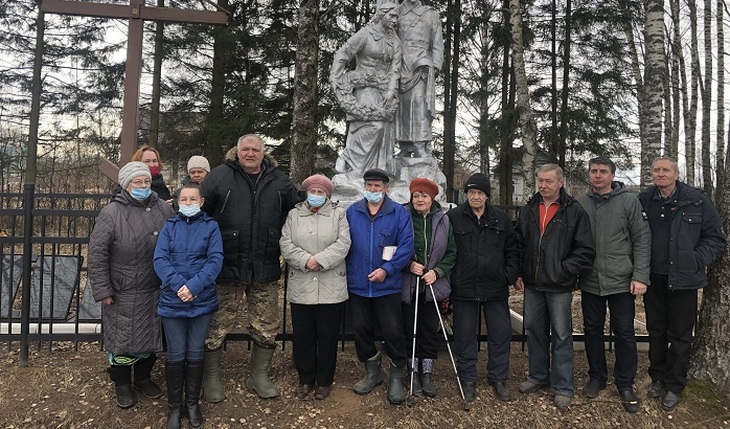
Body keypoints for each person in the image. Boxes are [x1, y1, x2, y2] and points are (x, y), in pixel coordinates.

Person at [200, 134, 300, 401]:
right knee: (217, 323)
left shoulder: (279, 181)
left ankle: (258, 376)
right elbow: (201, 215)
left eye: (255, 149)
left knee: (266, 324)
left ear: (263, 152)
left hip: (264, 264)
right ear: (238, 150)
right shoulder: (219, 177)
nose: (250, 153)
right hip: (227, 264)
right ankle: (210, 378)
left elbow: (296, 212)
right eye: (246, 149)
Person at [637, 157, 726, 412]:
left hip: (684, 279)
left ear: (676, 174)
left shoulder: (696, 200)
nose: (660, 174)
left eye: (666, 170)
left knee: (680, 335)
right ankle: (657, 378)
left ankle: (674, 386)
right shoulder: (644, 200)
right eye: (656, 170)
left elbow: (715, 237)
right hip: (654, 277)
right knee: (656, 331)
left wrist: (696, 259)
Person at [88, 161, 176, 409]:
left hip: (158, 287)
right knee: (123, 340)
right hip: (124, 289)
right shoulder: (111, 213)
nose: (143, 186)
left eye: (146, 181)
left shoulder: (163, 209)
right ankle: (122, 384)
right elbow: (97, 254)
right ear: (126, 185)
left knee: (151, 337)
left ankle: (144, 378)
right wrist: (103, 289)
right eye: (137, 182)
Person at [515, 163, 595, 411]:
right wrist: (518, 272)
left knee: (561, 335)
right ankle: (538, 376)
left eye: (548, 181)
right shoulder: (529, 209)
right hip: (533, 283)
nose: (543, 185)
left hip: (559, 284)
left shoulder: (573, 211)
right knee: (534, 331)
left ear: (560, 182)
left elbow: (584, 250)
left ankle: (563, 386)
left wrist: (563, 270)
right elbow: (518, 243)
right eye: (540, 180)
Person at [576, 157, 651, 414]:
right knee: (592, 331)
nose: (598, 175)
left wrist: (640, 276)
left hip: (621, 280)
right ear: (589, 175)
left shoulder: (629, 201)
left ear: (612, 175)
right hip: (590, 280)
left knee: (624, 333)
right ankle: (597, 376)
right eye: (594, 171)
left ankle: (625, 382)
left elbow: (642, 239)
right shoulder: (580, 203)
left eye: (603, 172)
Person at [447, 173, 520, 404]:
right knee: (464, 336)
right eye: (471, 193)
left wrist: (507, 276)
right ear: (466, 194)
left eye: (480, 193)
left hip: (495, 288)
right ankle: (468, 379)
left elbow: (513, 250)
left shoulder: (501, 219)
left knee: (500, 335)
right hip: (464, 288)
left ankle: (498, 378)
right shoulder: (453, 217)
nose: (475, 197)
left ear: (487, 196)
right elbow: (445, 249)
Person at [154, 183, 223, 429]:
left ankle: (192, 403)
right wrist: (178, 286)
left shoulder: (211, 226)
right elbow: (160, 259)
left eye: (194, 198)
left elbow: (215, 260)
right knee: (176, 355)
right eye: (185, 198)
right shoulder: (169, 227)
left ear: (201, 202)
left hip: (201, 299)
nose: (189, 202)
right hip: (173, 300)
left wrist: (193, 287)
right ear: (178, 201)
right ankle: (174, 407)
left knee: (195, 352)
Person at [280, 174, 351, 401]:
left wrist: (319, 259)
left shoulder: (339, 215)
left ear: (328, 195)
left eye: (321, 192)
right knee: (303, 335)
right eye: (313, 192)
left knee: (328, 335)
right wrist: (305, 260)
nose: (317, 196)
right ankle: (305, 378)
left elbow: (343, 243)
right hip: (302, 282)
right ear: (307, 193)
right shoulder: (294, 215)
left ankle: (324, 380)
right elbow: (285, 243)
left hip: (330, 283)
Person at [346, 168, 414, 405]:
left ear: (386, 188)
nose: (373, 190)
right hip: (358, 284)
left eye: (377, 186)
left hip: (388, 286)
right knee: (361, 330)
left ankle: (396, 374)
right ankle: (372, 372)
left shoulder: (398, 213)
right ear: (364, 187)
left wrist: (387, 270)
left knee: (393, 331)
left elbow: (406, 247)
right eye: (369, 186)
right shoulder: (352, 212)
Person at [330, 2, 401, 176]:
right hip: (364, 87)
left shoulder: (395, 41)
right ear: (381, 14)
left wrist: (391, 89)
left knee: (383, 131)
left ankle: (374, 175)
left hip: (384, 91)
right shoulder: (366, 34)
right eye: (392, 16)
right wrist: (336, 77)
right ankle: (352, 163)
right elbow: (343, 53)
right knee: (373, 125)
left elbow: (395, 69)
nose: (395, 20)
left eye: (397, 16)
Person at [402, 178, 456, 398]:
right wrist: (408, 264)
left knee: (428, 329)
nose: (420, 199)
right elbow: (394, 246)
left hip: (432, 284)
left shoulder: (442, 220)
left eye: (424, 195)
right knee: (408, 329)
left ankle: (426, 372)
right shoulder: (403, 217)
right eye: (416, 196)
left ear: (432, 198)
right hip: (409, 284)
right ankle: (411, 371)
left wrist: (438, 271)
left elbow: (452, 252)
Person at [395, 0, 444, 158]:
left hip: (422, 64)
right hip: (401, 62)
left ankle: (420, 144)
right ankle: (404, 144)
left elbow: (437, 45)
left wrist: (435, 67)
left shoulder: (430, 14)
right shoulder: (397, 12)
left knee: (419, 105)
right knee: (401, 106)